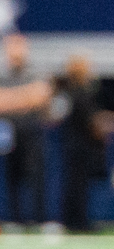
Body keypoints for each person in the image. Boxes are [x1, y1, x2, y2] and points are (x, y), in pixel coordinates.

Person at [0, 33, 51, 230]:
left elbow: (40, 96)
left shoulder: (35, 72)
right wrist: (25, 97)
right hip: (9, 132)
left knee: (36, 176)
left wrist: (13, 99)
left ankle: (40, 219)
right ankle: (15, 220)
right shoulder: (3, 75)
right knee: (11, 176)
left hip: (33, 131)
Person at [59, 55, 104, 234]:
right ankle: (79, 223)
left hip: (72, 146)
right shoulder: (82, 93)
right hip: (81, 147)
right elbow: (92, 122)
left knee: (74, 184)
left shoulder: (69, 93)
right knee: (78, 186)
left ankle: (72, 221)